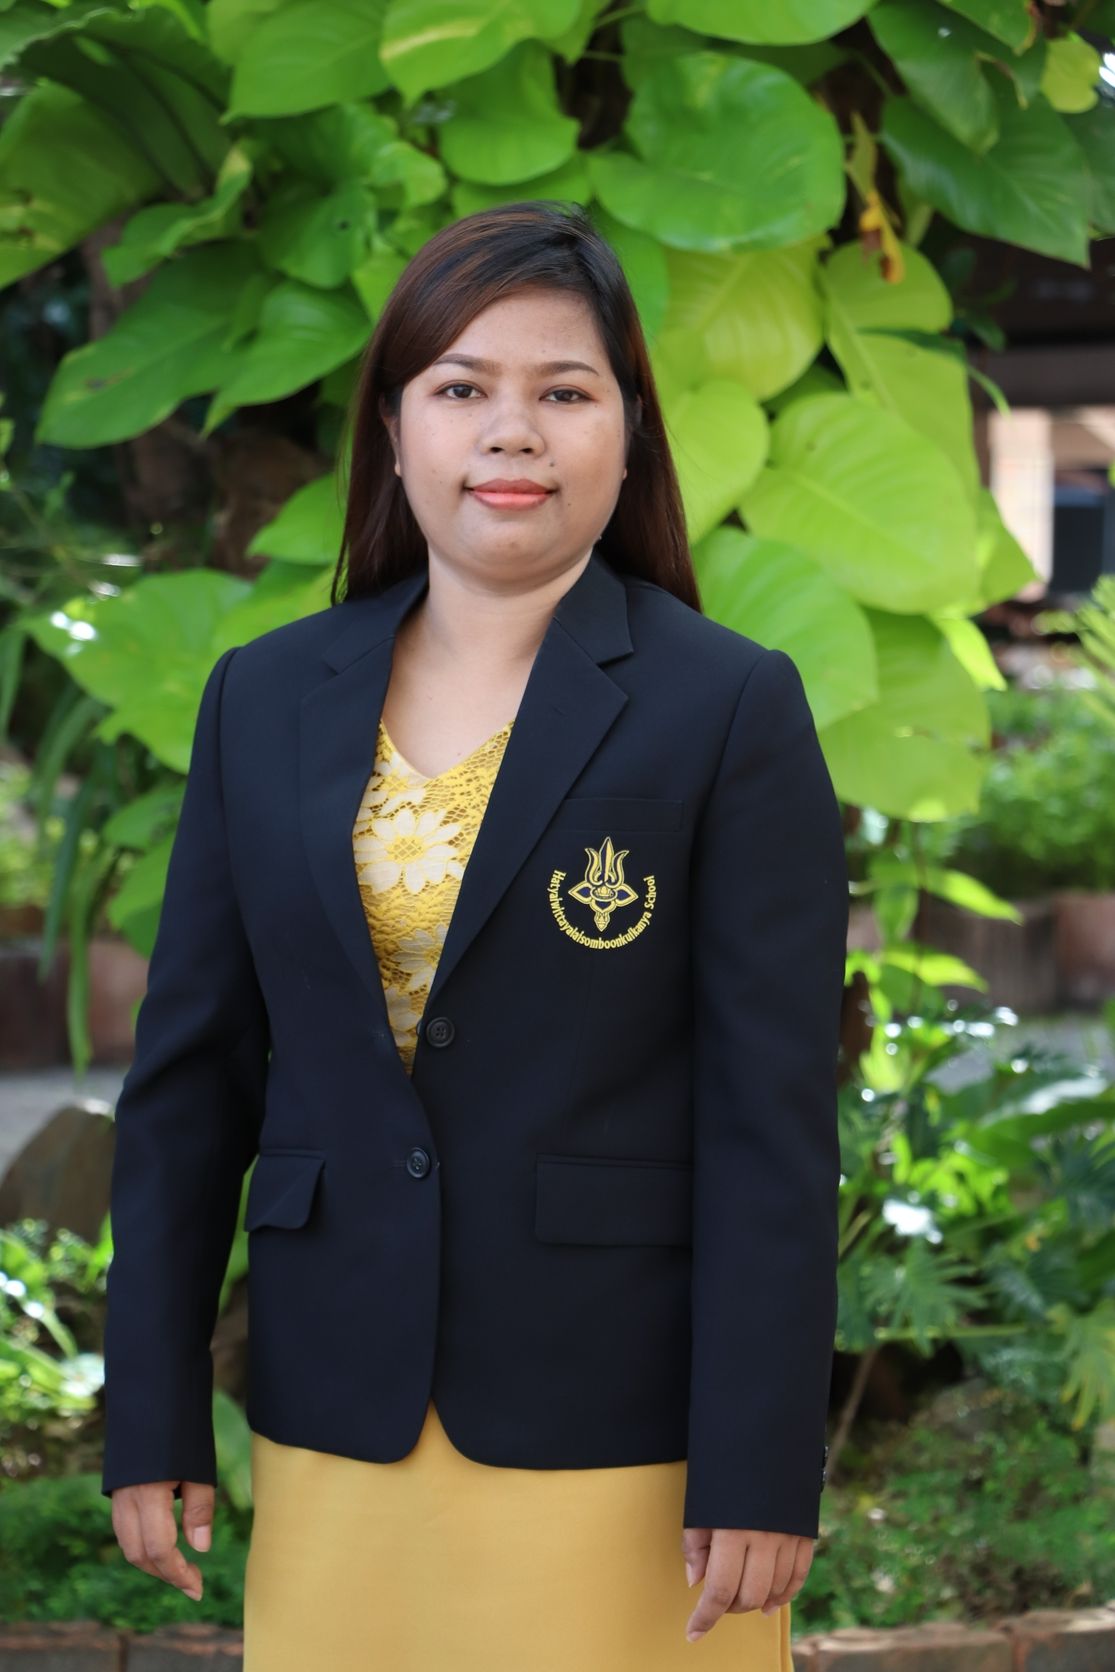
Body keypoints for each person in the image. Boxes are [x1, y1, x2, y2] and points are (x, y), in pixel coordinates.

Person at [102, 200, 848, 1669]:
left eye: (565, 392)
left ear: (629, 433)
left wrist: (763, 1459)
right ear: (394, 432)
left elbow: (770, 1118)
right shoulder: (265, 698)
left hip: (616, 1427)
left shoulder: (726, 708)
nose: (513, 432)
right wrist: (152, 1413)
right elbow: (188, 1084)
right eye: (461, 388)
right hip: (337, 1412)